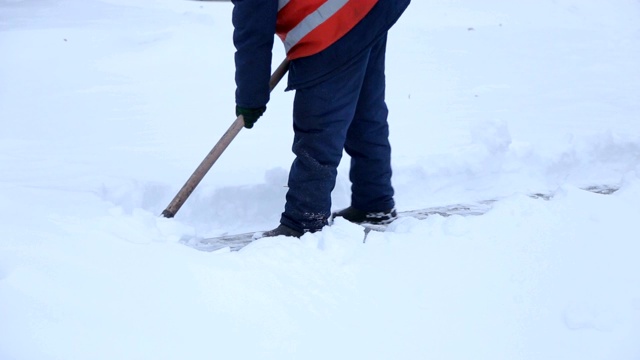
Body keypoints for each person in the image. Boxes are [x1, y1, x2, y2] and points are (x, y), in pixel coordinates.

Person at [231, 0, 410, 237]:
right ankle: (374, 202)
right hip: (372, 7)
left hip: (334, 23)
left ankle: (305, 220)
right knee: (364, 113)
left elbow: (253, 31)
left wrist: (251, 98)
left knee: (319, 126)